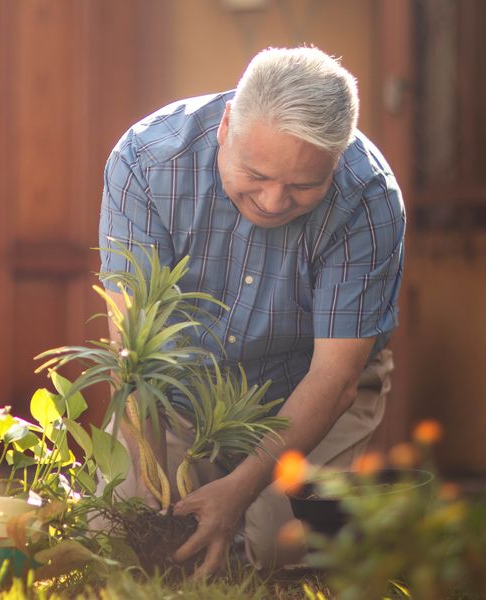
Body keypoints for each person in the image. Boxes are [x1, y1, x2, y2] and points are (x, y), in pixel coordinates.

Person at [100, 46, 404, 576]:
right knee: (115, 533)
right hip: (178, 390)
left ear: (338, 157)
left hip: (309, 392)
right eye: (256, 173)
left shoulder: (368, 196)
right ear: (225, 128)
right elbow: (133, 345)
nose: (272, 201)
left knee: (269, 553)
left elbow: (335, 377)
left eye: (304, 185)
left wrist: (239, 490)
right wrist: (151, 481)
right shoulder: (147, 161)